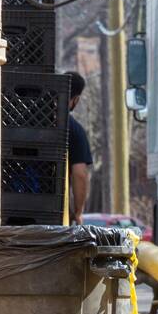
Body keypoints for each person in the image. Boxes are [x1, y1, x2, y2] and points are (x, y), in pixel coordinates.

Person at [66, 72, 93, 224]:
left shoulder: (28, 117)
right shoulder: (75, 130)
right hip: (53, 207)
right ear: (75, 99)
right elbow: (80, 174)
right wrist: (78, 212)